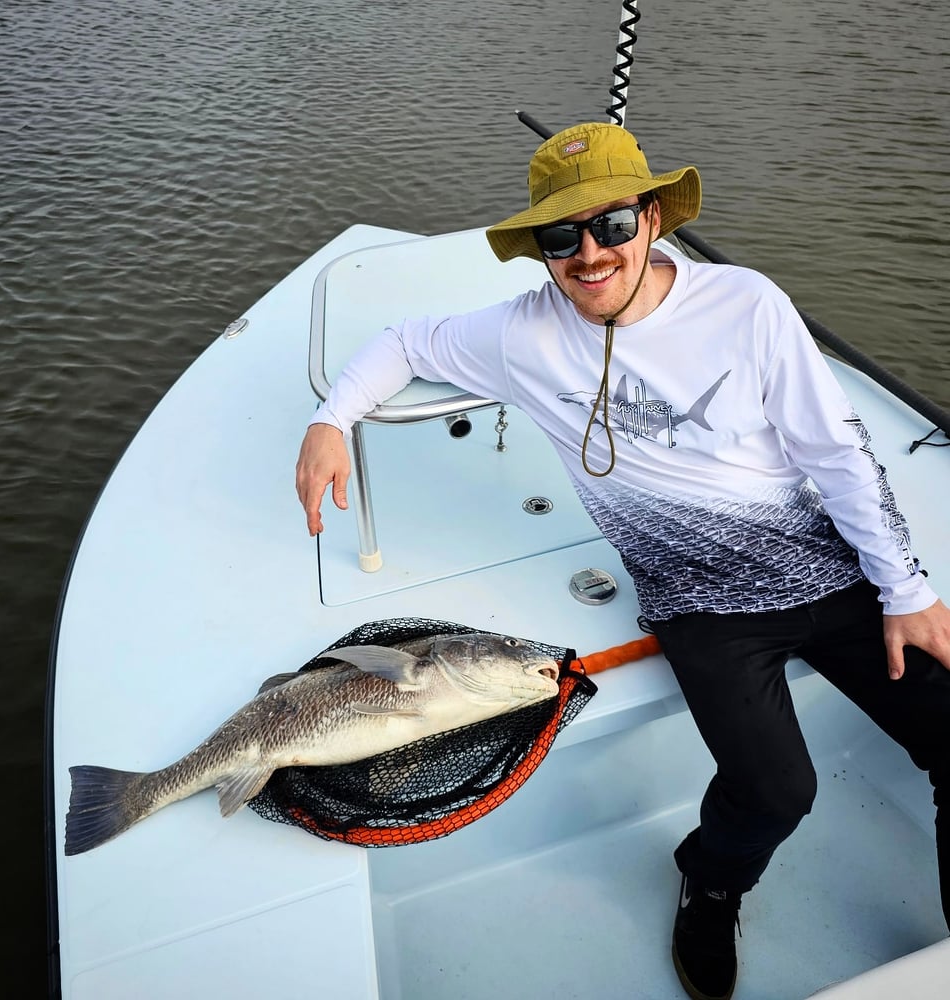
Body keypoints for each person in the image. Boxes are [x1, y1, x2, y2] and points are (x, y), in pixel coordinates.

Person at [295, 121, 950, 1000]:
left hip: (831, 571)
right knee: (776, 789)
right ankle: (711, 881)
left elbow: (835, 452)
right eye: (563, 238)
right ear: (540, 251)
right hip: (701, 606)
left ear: (651, 220)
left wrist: (903, 588)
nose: (590, 256)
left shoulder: (746, 303)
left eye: (612, 226)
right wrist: (330, 420)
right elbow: (404, 344)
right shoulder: (520, 333)